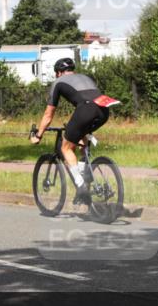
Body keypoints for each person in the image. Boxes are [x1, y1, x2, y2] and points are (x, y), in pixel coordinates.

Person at [31, 57, 118, 201]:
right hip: (104, 110)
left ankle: (81, 186)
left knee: (65, 148)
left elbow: (48, 114)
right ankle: (86, 170)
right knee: (81, 136)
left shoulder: (58, 82)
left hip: (87, 109)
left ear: (59, 73)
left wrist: (38, 135)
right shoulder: (84, 77)